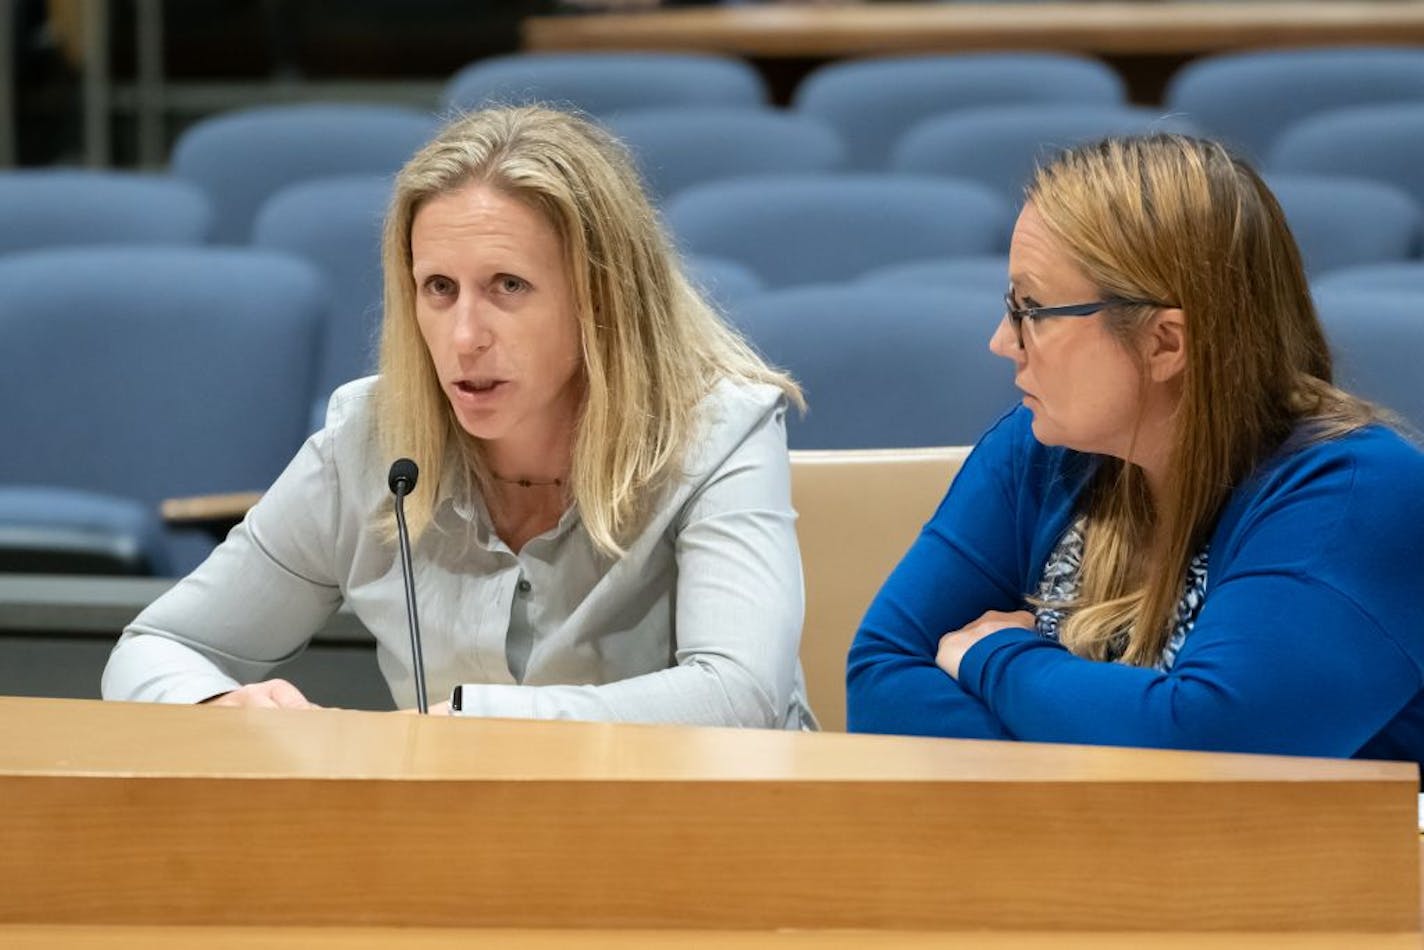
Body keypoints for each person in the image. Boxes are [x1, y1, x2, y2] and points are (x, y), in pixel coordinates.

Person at [103, 105, 815, 728]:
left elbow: (739, 695)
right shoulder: (370, 443)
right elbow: (155, 648)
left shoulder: (718, 434)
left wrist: (482, 721)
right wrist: (212, 706)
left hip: (707, 846)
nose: (465, 334)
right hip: (460, 855)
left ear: (600, 298)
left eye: (508, 286)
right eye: (438, 289)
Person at [847, 134, 1424, 766]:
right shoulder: (1038, 447)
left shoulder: (1357, 491)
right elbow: (881, 680)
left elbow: (1212, 749)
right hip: (1082, 859)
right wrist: (1114, 728)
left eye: (1032, 309)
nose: (1002, 342)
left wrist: (992, 657)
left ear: (1165, 343)